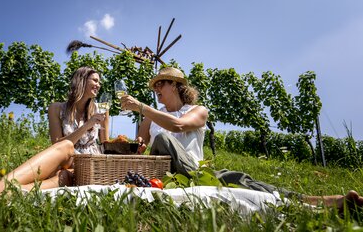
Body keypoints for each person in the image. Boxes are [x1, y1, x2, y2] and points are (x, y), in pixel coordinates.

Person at [120, 66, 363, 212]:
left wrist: (142, 107)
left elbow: (179, 125)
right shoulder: (148, 121)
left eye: (160, 83)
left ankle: (312, 201)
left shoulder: (197, 111)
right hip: (164, 177)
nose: (156, 89)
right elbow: (137, 153)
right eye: (155, 86)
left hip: (196, 171)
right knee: (162, 140)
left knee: (239, 179)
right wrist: (139, 146)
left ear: (175, 85)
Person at [0, 66, 108, 196]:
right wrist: (86, 126)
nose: (98, 84)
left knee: (64, 176)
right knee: (66, 145)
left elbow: (107, 144)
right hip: (66, 157)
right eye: (95, 80)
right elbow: (57, 144)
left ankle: (2, 190)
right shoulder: (56, 108)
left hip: (88, 163)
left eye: (99, 82)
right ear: (81, 80)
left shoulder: (101, 110)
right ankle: (1, 184)